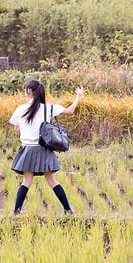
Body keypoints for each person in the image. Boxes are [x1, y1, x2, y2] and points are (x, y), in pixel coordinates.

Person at [9, 79, 83, 215]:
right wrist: (78, 97)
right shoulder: (49, 108)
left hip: (28, 149)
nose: (24, 93)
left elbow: (16, 127)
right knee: (52, 181)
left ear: (29, 91)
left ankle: (16, 212)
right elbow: (70, 111)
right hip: (44, 149)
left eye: (25, 90)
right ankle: (68, 210)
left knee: (26, 181)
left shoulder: (21, 109)